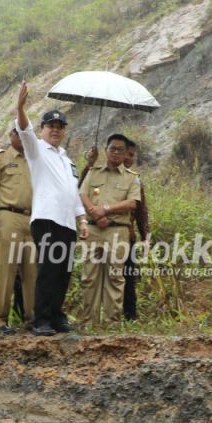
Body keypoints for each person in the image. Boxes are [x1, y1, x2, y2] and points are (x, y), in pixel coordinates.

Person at [15, 80, 88, 336]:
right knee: (48, 268)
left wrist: (83, 220)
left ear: (64, 131)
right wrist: (20, 107)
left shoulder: (66, 159)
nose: (55, 130)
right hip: (46, 218)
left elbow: (74, 191)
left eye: (60, 126)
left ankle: (56, 315)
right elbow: (25, 131)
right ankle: (41, 318)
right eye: (51, 126)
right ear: (44, 129)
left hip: (67, 222)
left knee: (63, 271)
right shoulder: (37, 150)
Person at [78, 134, 141, 327]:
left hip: (117, 232)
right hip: (93, 230)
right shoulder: (94, 171)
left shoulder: (132, 178)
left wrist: (105, 210)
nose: (115, 153)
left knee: (115, 277)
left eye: (120, 150)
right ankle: (89, 322)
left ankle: (111, 323)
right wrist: (95, 214)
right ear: (106, 150)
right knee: (90, 277)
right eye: (112, 149)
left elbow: (132, 203)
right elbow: (82, 193)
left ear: (125, 154)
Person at [0, 126, 37, 334]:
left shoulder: (36, 158)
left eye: (25, 134)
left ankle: (33, 318)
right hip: (8, 215)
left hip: (32, 218)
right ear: (11, 135)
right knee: (4, 269)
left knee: (32, 271)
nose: (22, 138)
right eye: (17, 133)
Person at [123, 139, 149, 321]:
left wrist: (145, 235)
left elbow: (141, 211)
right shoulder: (100, 173)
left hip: (127, 234)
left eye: (132, 155)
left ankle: (130, 315)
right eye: (127, 153)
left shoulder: (135, 179)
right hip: (102, 234)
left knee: (129, 277)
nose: (129, 158)